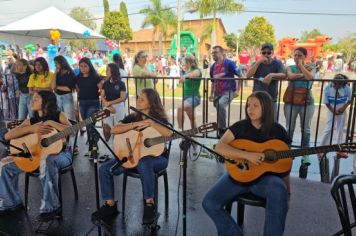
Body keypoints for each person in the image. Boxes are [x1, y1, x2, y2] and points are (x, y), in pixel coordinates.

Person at [202, 91, 291, 236]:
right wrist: (248, 155)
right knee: (209, 202)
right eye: (248, 105)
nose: (250, 109)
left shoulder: (278, 131)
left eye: (255, 105)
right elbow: (220, 147)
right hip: (237, 176)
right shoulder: (240, 127)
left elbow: (286, 165)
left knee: (279, 190)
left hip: (265, 180)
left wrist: (288, 191)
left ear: (266, 107)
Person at [91, 88, 172, 225]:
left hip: (157, 159)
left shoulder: (160, 119)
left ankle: (149, 204)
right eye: (138, 98)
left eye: (142, 99)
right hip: (131, 156)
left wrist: (152, 123)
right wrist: (135, 124)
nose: (138, 101)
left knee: (144, 163)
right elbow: (114, 129)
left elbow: (169, 134)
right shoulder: (134, 117)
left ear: (151, 103)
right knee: (104, 169)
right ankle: (110, 205)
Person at [0, 90, 72, 220]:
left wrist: (50, 123)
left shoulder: (59, 115)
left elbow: (71, 131)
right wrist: (31, 129)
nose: (32, 101)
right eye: (32, 98)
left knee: (48, 161)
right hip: (36, 157)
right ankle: (11, 203)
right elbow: (7, 135)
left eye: (36, 98)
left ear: (46, 102)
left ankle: (52, 208)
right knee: (4, 165)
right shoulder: (31, 120)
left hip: (61, 155)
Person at [283, 47, 315, 179]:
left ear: (305, 56)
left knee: (306, 129)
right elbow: (290, 76)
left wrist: (301, 67)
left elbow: (310, 77)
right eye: (295, 55)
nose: (297, 57)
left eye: (300, 55)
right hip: (290, 101)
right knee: (289, 127)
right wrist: (303, 73)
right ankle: (287, 151)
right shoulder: (290, 67)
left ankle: (305, 154)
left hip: (307, 101)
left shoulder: (311, 66)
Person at [209, 45, 242, 137]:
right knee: (218, 107)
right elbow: (212, 81)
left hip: (229, 91)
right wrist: (211, 94)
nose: (213, 54)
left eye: (215, 52)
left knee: (221, 104)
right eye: (212, 53)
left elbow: (241, 76)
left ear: (222, 53)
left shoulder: (229, 63)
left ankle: (222, 129)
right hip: (217, 92)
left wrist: (237, 91)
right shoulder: (213, 67)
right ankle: (222, 128)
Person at [319, 74, 352, 158]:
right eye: (335, 85)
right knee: (329, 128)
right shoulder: (328, 87)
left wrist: (343, 108)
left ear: (342, 84)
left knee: (340, 129)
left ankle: (339, 149)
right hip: (331, 108)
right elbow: (326, 102)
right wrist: (333, 110)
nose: (336, 87)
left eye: (338, 85)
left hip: (342, 107)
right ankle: (321, 149)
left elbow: (350, 99)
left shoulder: (346, 87)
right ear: (333, 82)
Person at [246, 43, 285, 113]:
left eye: (268, 52)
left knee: (272, 121)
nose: (266, 54)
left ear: (272, 53)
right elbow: (248, 75)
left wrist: (271, 75)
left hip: (271, 98)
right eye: (264, 52)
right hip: (257, 98)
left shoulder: (277, 63)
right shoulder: (256, 63)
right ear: (261, 53)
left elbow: (284, 75)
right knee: (257, 121)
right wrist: (258, 62)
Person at [75, 57, 102, 157]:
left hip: (93, 103)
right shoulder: (78, 78)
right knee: (88, 125)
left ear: (89, 66)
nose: (83, 68)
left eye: (85, 66)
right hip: (82, 103)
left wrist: (98, 95)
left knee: (90, 125)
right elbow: (78, 89)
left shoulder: (95, 77)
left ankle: (93, 149)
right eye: (81, 66)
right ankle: (93, 147)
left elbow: (101, 89)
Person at [101, 63, 127, 142]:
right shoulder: (105, 83)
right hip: (108, 107)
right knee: (107, 128)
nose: (106, 72)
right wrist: (106, 103)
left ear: (113, 71)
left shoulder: (121, 84)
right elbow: (102, 95)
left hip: (118, 107)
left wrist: (110, 103)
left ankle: (118, 146)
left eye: (108, 70)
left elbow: (122, 98)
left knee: (118, 127)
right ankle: (108, 148)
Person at [177, 55, 202, 131]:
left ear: (189, 62)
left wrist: (185, 76)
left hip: (194, 97)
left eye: (185, 63)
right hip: (186, 97)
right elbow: (184, 82)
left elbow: (194, 75)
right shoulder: (187, 71)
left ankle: (179, 130)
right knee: (192, 119)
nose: (184, 64)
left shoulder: (197, 70)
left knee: (180, 108)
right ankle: (195, 133)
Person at [51, 55, 76, 121]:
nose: (55, 65)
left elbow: (69, 88)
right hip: (57, 97)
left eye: (57, 63)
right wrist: (55, 74)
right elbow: (53, 87)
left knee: (69, 118)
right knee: (60, 118)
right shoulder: (57, 73)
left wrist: (58, 87)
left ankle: (71, 131)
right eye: (55, 64)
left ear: (62, 63)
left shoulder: (69, 73)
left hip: (67, 97)